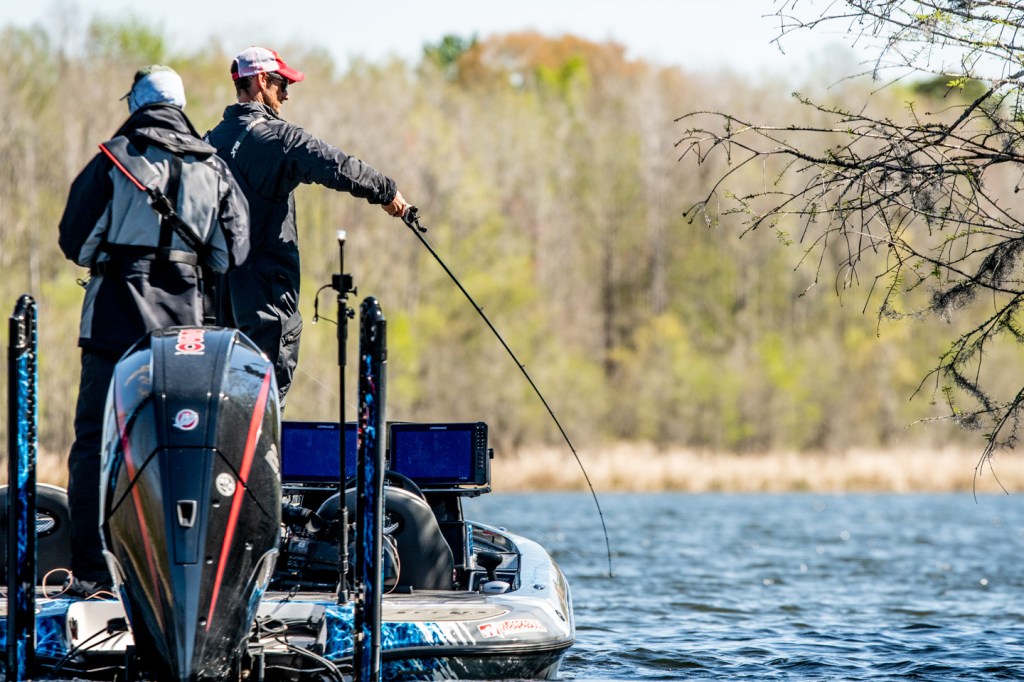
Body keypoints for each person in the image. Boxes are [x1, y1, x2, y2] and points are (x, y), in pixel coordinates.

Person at [57, 65, 250, 596]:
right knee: (180, 446)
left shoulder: (113, 158)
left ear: (136, 105)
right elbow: (231, 254)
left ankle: (93, 571)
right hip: (185, 336)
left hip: (113, 324)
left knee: (95, 443)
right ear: (181, 106)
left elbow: (75, 242)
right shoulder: (214, 167)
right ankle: (176, 573)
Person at [204, 46, 411, 406]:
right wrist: (387, 191)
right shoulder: (278, 139)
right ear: (261, 81)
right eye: (282, 84)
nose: (286, 94)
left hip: (214, 309)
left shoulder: (208, 142)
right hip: (266, 305)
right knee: (264, 407)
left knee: (223, 407)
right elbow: (336, 165)